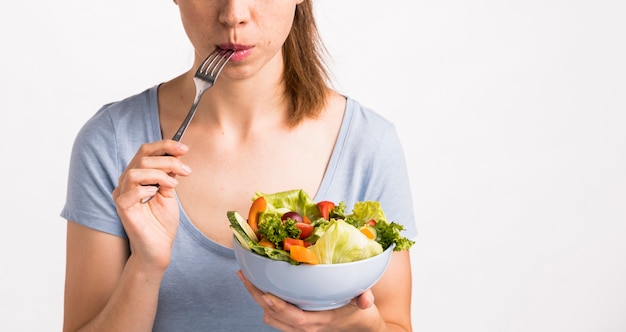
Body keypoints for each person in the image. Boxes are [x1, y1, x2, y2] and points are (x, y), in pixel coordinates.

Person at [61, 0, 417, 330]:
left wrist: (362, 327)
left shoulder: (367, 143)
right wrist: (145, 266)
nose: (233, 14)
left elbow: (395, 323)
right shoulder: (111, 141)